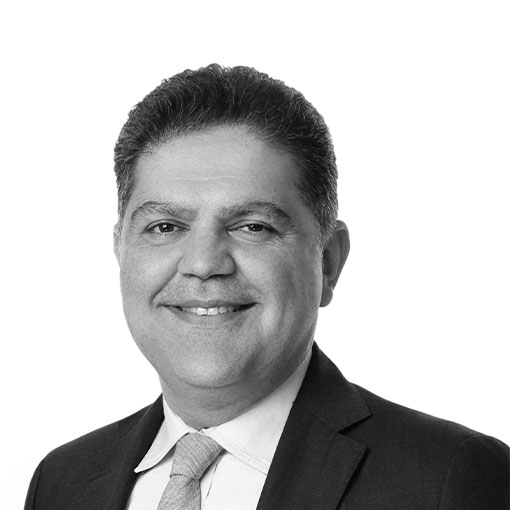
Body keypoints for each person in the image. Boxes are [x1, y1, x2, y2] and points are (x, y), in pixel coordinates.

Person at [25, 64, 508, 510]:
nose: (203, 264)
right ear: (121, 250)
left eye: (252, 226)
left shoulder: (450, 479)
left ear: (328, 261)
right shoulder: (62, 483)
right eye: (165, 227)